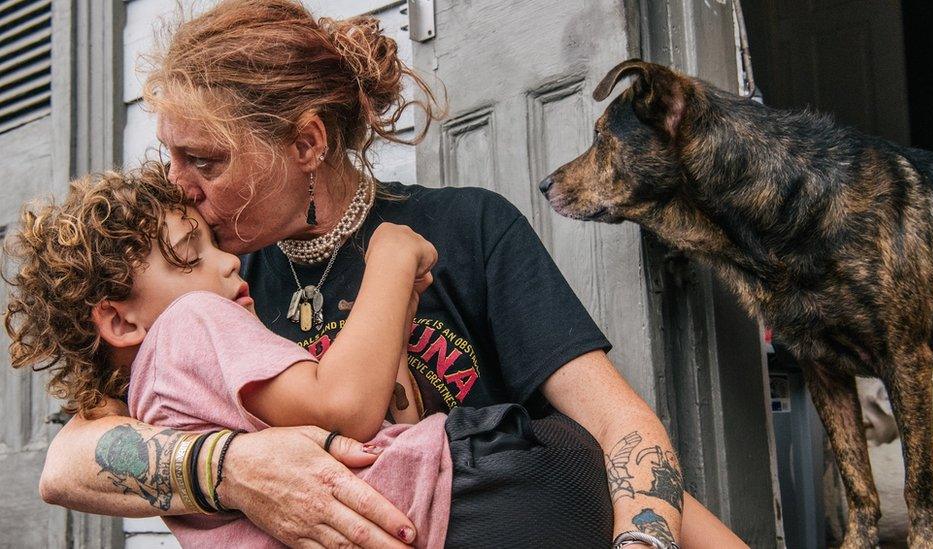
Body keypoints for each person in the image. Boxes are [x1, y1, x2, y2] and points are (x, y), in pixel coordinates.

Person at [26, 0, 745, 547]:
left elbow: (618, 433)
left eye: (204, 160)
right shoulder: (211, 280)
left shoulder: (465, 230)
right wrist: (235, 467)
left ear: (306, 141)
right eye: (172, 156)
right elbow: (68, 461)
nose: (177, 185)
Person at [5, 162, 621, 548]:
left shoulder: (157, 397)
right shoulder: (194, 320)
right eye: (191, 253)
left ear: (307, 143)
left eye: (207, 158)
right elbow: (347, 410)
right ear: (116, 319)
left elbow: (374, 430)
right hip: (478, 491)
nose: (226, 261)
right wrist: (391, 257)